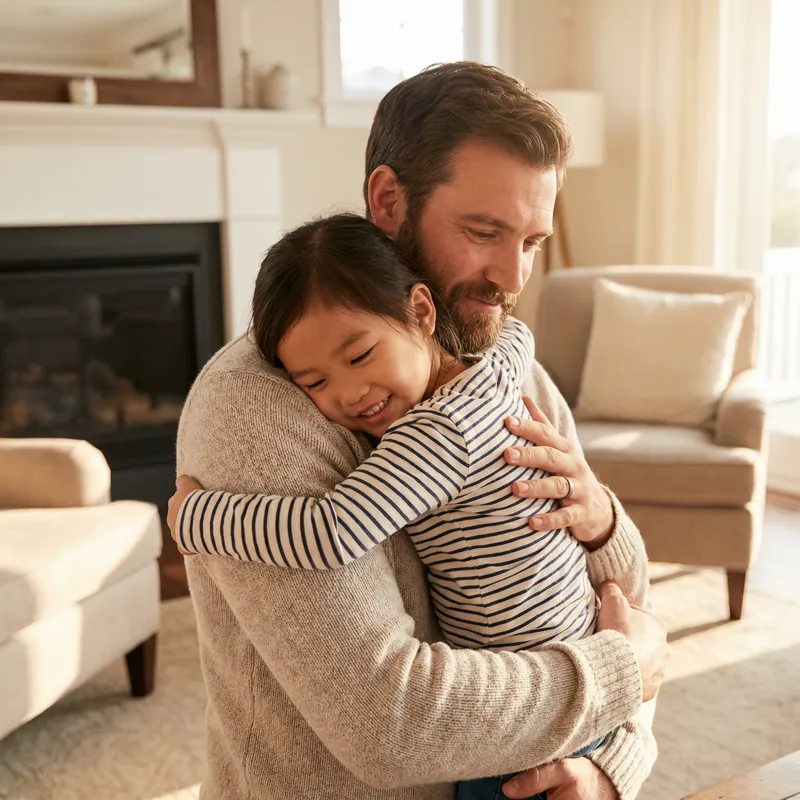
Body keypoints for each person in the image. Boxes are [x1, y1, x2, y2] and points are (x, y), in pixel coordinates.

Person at [175, 61, 668, 800]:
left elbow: (628, 603)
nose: (513, 279)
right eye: (484, 232)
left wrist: (610, 765)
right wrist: (620, 673)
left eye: (531, 241)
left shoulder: (501, 359)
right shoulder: (259, 406)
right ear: (388, 201)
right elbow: (389, 722)